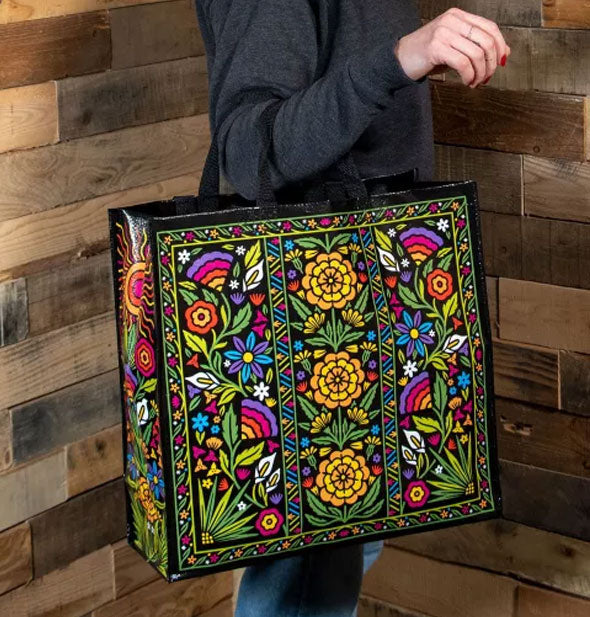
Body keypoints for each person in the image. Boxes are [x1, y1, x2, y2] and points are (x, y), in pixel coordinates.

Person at [194, 2, 509, 616]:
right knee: (304, 569)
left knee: (339, 555)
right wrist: (399, 59)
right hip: (306, 328)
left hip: (365, 300)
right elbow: (248, 148)